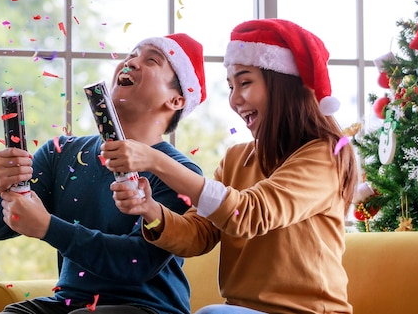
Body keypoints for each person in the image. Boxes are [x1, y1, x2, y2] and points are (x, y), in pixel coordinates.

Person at [104, 19, 358, 314]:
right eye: (230, 87)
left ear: (283, 85)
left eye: (245, 82)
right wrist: (149, 209)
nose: (235, 100)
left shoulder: (324, 156)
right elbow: (198, 235)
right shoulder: (237, 158)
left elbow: (250, 214)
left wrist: (157, 161)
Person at [0, 33, 208, 314]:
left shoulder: (180, 173)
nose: (132, 62)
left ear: (176, 100)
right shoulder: (60, 153)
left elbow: (137, 263)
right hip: (70, 304)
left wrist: (49, 227)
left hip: (148, 309)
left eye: (151, 61)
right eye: (132, 54)